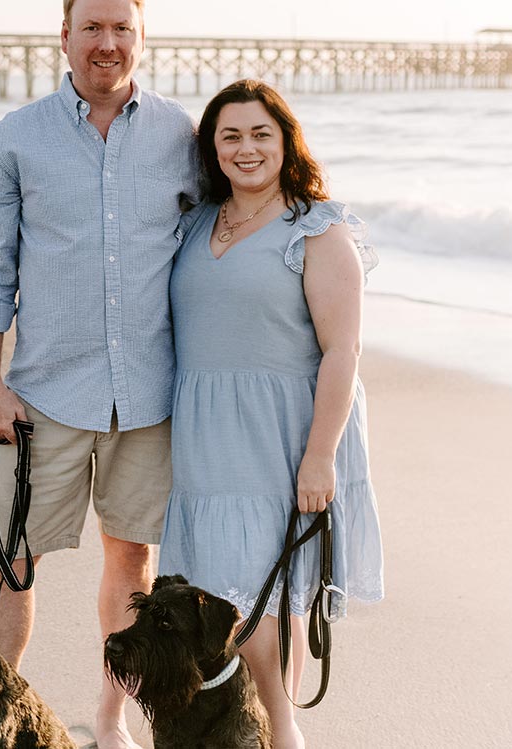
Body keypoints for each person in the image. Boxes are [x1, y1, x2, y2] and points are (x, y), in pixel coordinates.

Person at [0, 0, 199, 745]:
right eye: (92, 28)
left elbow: (221, 236)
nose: (107, 43)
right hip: (43, 395)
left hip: (149, 394)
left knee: (132, 560)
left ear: (140, 37)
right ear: (62, 36)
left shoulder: (182, 136)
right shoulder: (16, 138)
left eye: (121, 28)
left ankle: (109, 716)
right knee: (10, 561)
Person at [157, 79, 384, 749]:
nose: (246, 147)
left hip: (281, 437)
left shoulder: (316, 226)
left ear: (286, 141)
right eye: (230, 135)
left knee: (265, 602)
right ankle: (250, 732)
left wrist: (319, 456)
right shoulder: (197, 221)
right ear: (212, 148)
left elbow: (344, 350)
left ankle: (283, 734)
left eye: (261, 133)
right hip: (204, 439)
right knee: (220, 602)